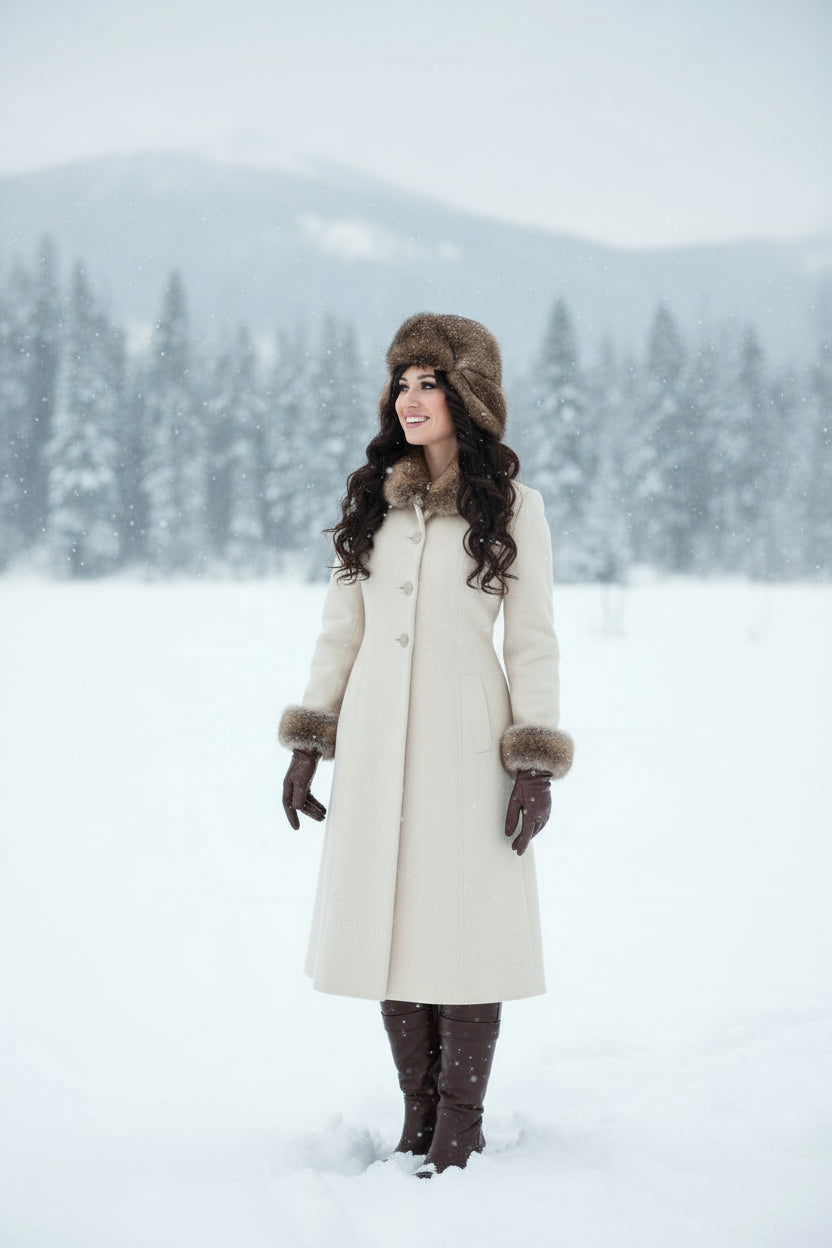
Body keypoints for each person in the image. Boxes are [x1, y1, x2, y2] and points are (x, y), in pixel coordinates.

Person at [279, 312, 573, 1177]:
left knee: (464, 927)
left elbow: (533, 642)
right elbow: (341, 629)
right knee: (391, 926)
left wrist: (533, 765)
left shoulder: (515, 508)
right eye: (401, 383)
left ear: (467, 396)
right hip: (375, 743)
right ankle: (418, 1116)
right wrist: (309, 740)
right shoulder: (375, 501)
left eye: (428, 383)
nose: (409, 399)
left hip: (467, 745)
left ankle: (460, 1123)